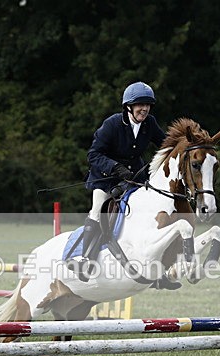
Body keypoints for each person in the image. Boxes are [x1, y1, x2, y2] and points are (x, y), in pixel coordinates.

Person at [69, 81, 167, 277]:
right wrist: (115, 167)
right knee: (98, 211)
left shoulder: (150, 123)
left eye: (147, 105)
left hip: (133, 178)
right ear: (128, 107)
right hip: (105, 179)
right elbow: (93, 155)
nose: (145, 109)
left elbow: (165, 146)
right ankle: (85, 259)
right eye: (140, 104)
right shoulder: (112, 124)